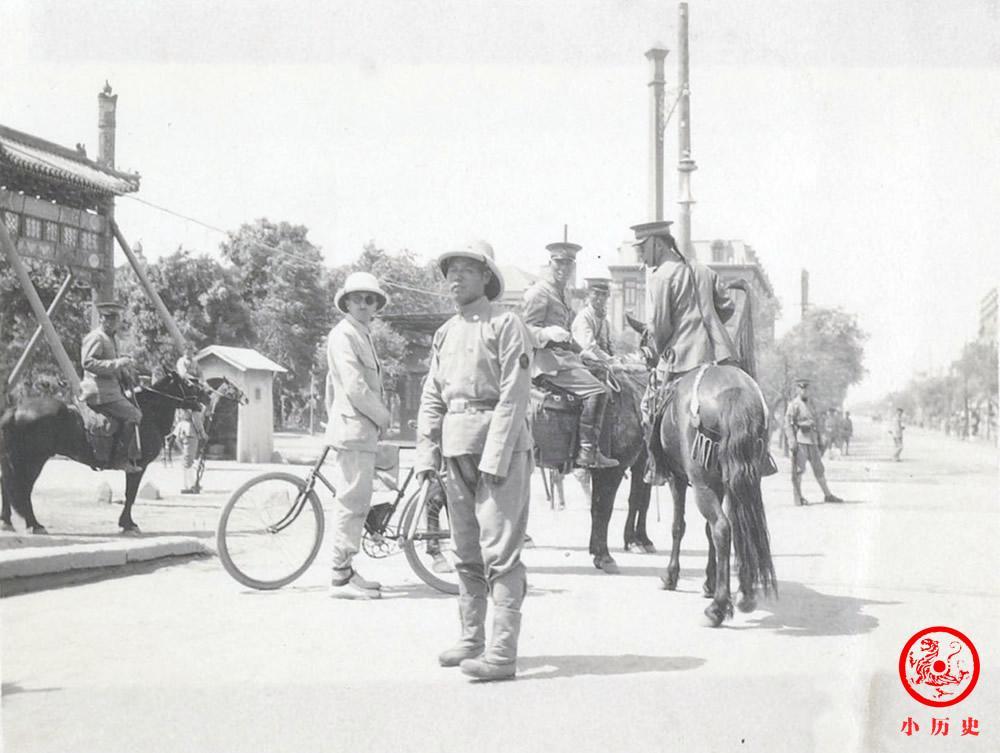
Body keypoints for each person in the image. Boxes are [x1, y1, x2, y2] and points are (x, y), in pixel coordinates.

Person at [416, 240, 533, 682]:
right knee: (465, 550)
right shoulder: (445, 332)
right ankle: (471, 639)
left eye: (466, 269)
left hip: (496, 450)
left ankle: (502, 655)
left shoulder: (507, 324)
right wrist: (427, 452)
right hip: (454, 447)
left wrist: (496, 454)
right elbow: (432, 395)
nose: (455, 278)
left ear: (487, 277)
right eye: (450, 271)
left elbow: (514, 394)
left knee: (500, 552)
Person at [631, 220, 738, 484]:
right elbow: (727, 307)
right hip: (719, 355)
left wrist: (656, 351)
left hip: (681, 358)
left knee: (648, 407)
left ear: (656, 244)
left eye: (642, 250)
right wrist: (709, 326)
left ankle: (657, 467)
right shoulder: (705, 271)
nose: (642, 258)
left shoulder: (660, 277)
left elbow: (659, 327)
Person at [325, 272, 393, 599]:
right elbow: (354, 387)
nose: (366, 304)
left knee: (361, 498)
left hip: (359, 430)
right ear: (347, 302)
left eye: (371, 299)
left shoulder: (361, 334)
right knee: (352, 501)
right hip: (354, 428)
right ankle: (340, 576)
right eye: (359, 299)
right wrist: (383, 416)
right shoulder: (344, 335)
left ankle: (347, 569)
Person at [522, 241, 617, 469]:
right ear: (550, 263)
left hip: (565, 358)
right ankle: (587, 451)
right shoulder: (539, 292)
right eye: (559, 263)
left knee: (605, 374)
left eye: (568, 263)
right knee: (598, 391)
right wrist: (545, 332)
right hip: (546, 362)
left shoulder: (564, 292)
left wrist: (583, 352)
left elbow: (567, 335)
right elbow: (525, 331)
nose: (563, 268)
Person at [79, 300, 143, 471]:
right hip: (99, 391)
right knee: (135, 415)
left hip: (111, 390)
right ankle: (120, 460)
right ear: (102, 319)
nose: (114, 323)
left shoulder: (111, 338)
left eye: (116, 319)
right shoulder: (96, 337)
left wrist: (125, 372)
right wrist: (117, 363)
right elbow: (88, 363)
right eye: (110, 319)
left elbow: (112, 364)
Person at [784, 379, 844, 505]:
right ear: (797, 389)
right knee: (799, 470)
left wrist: (822, 437)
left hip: (813, 441)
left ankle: (828, 495)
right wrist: (791, 440)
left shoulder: (813, 404)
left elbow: (819, 421)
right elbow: (788, 425)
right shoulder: (794, 405)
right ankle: (799, 497)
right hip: (800, 441)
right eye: (801, 388)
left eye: (806, 389)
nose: (804, 391)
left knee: (819, 469)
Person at [571, 278, 614, 364]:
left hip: (602, 364)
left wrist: (616, 359)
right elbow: (590, 348)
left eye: (604, 294)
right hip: (585, 364)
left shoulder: (605, 321)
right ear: (589, 295)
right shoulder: (584, 317)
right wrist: (612, 361)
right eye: (596, 293)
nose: (600, 298)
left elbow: (609, 346)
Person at [175, 408, 206, 493]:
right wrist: (183, 449)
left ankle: (192, 484)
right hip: (188, 443)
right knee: (187, 465)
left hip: (191, 443)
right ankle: (188, 485)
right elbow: (177, 439)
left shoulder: (192, 423)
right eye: (186, 412)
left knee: (189, 464)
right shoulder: (183, 424)